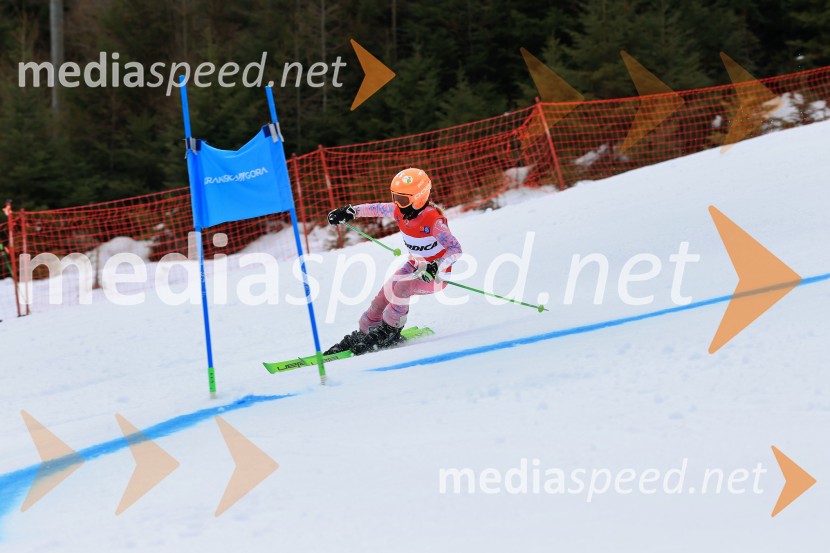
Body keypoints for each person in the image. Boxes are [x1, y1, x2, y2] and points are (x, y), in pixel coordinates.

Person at [325, 167, 462, 355]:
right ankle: (366, 330)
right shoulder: (400, 211)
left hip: (436, 276)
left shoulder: (433, 221)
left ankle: (390, 330)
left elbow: (456, 249)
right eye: (395, 197)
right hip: (413, 265)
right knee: (385, 294)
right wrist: (350, 212)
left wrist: (437, 266)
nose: (397, 203)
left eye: (402, 199)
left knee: (401, 289)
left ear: (419, 197)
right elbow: (375, 208)